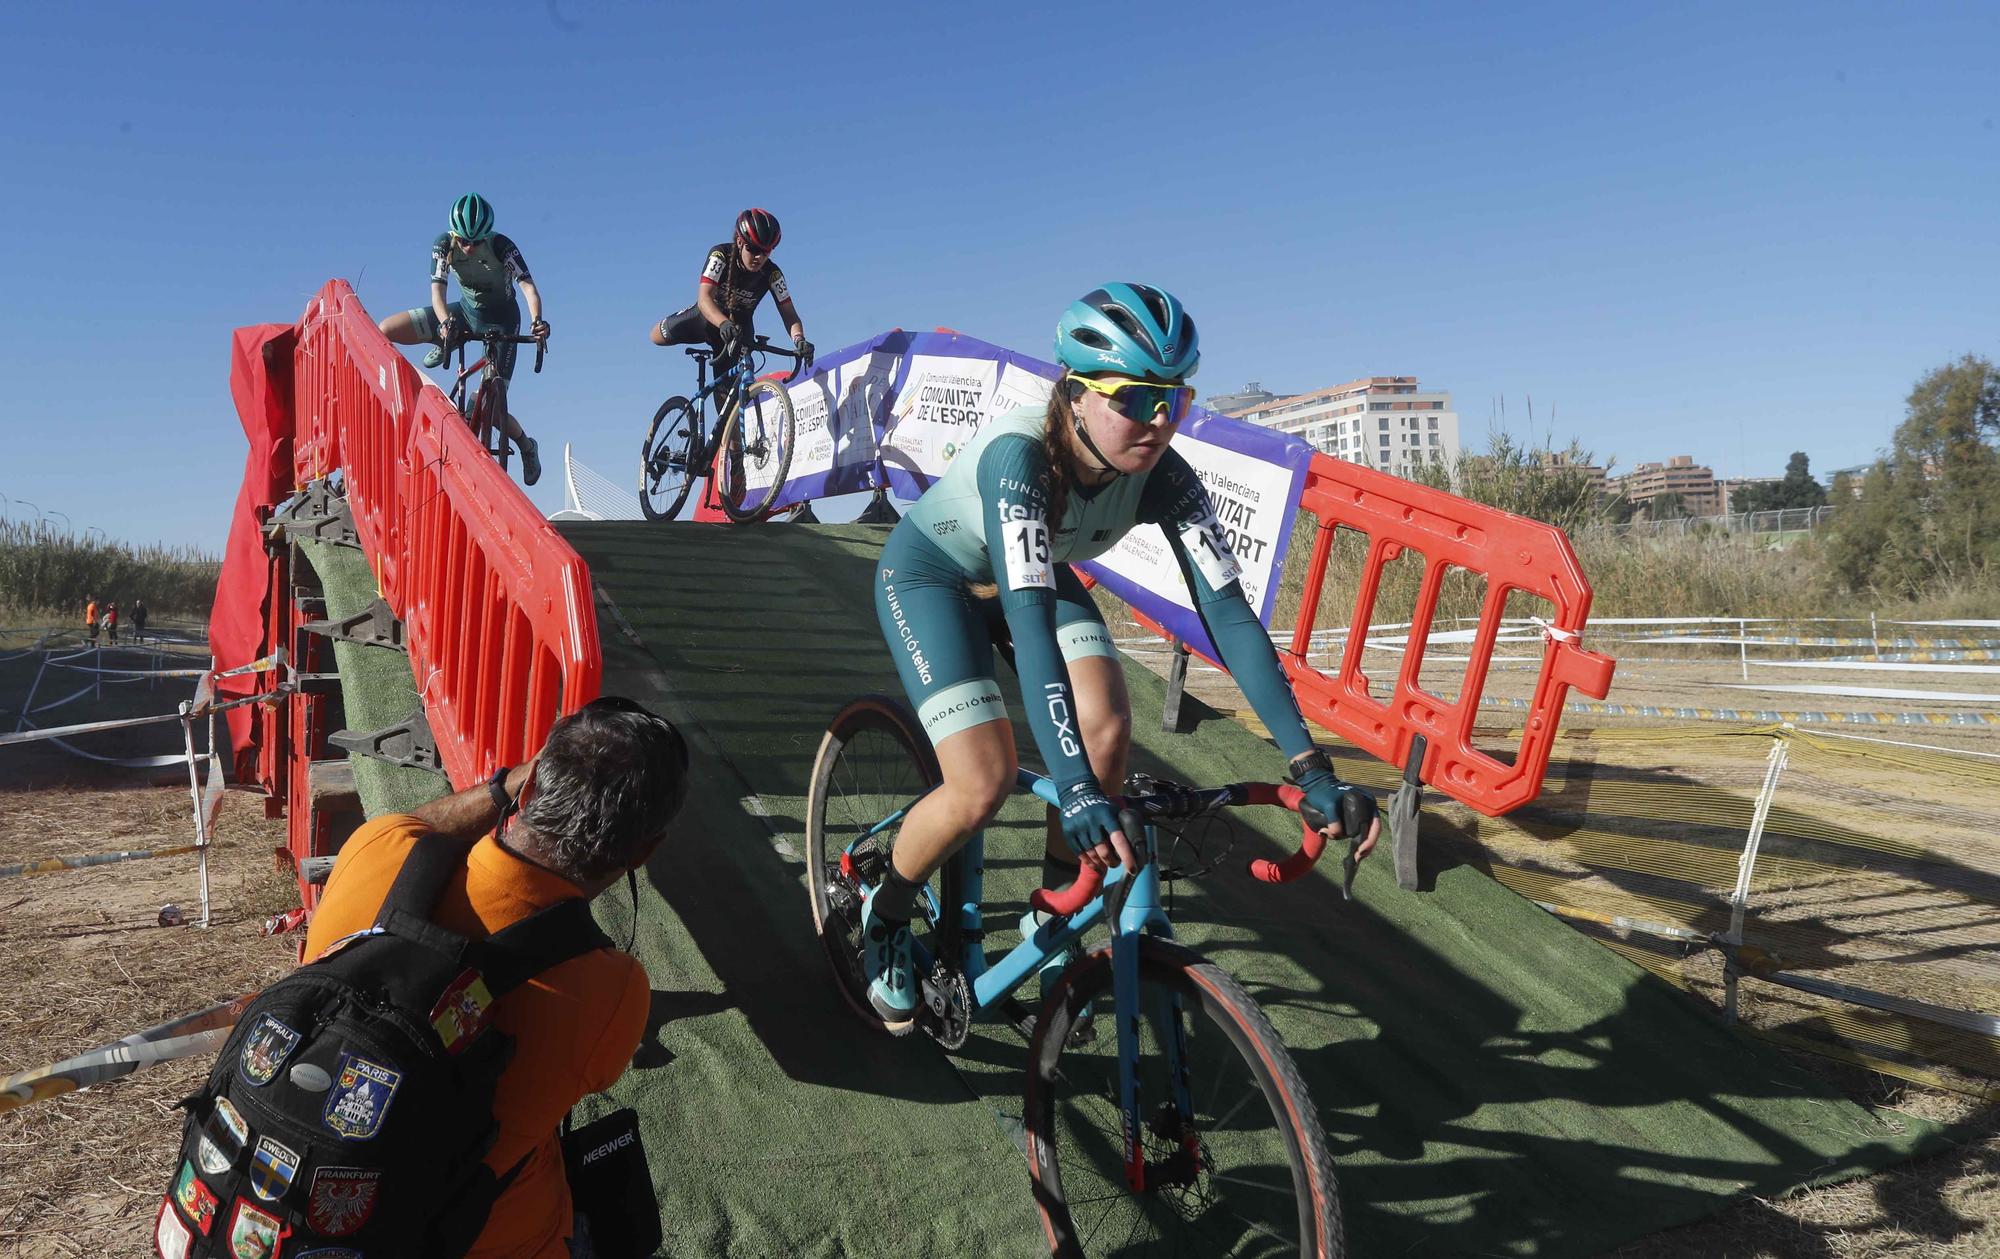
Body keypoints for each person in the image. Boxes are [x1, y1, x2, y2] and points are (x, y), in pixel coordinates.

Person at [860, 283, 1382, 1028]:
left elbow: (1228, 615)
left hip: (1031, 571)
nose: (1162, 420)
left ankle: (1049, 917)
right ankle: (887, 908)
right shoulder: (1022, 462)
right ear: (1074, 393)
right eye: (1137, 398)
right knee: (984, 779)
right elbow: (1030, 622)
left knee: (1107, 727)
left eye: (1177, 397)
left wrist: (1310, 766)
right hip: (934, 576)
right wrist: (1071, 785)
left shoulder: (1164, 473)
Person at [299, 697, 688, 1257]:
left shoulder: (374, 851)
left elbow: (417, 827)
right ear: (646, 850)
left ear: (530, 791)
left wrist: (503, 787)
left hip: (296, 1192)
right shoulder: (615, 991)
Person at [378, 193, 551, 486]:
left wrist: (537, 322)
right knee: (386, 329)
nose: (469, 248)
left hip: (503, 320)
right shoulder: (444, 245)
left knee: (488, 411)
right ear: (454, 235)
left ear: (487, 236)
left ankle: (526, 445)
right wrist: (445, 323)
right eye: (463, 241)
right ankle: (439, 350)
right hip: (465, 314)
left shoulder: (502, 246)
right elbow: (438, 294)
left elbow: (529, 288)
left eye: (476, 242)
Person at [649, 208, 812, 376]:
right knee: (656, 336)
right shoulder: (720, 255)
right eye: (754, 249)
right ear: (740, 242)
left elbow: (789, 314)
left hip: (738, 329)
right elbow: (704, 298)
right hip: (707, 317)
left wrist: (799, 339)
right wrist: (723, 322)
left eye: (766, 251)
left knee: (730, 397)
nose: (759, 257)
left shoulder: (773, 274)